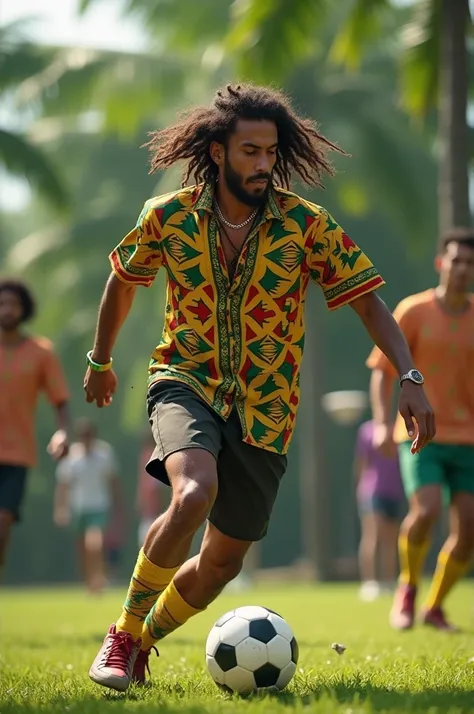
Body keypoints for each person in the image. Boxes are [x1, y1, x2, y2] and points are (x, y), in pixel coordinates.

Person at [83, 83, 435, 691]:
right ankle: (121, 633)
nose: (263, 165)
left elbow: (369, 304)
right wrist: (101, 359)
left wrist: (408, 374)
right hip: (184, 380)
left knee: (223, 562)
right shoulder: (165, 216)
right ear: (218, 152)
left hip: (268, 410)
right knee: (192, 493)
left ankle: (141, 644)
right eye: (249, 151)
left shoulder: (307, 226)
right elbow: (123, 281)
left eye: (271, 153)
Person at [367, 227, 474, 631]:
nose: (462, 268)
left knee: (468, 531)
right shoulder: (413, 310)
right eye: (455, 260)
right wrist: (380, 422)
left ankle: (435, 607)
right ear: (440, 263)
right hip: (421, 435)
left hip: (469, 440)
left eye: (469, 262)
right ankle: (407, 588)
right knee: (426, 510)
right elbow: (381, 370)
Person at [0, 279, 70, 579]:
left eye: (13, 304)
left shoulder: (41, 352)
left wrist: (63, 432)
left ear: (24, 309)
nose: (6, 310)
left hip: (17, 453)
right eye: (2, 304)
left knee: (2, 522)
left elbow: (60, 401)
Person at [54, 417, 122, 593]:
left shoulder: (104, 453)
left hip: (99, 505)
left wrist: (117, 507)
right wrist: (60, 508)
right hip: (78, 507)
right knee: (82, 548)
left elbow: (113, 481)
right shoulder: (71, 456)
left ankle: (99, 579)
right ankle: (88, 582)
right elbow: (63, 485)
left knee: (95, 543)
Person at [354, 419, 405, 601]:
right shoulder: (367, 430)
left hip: (395, 492)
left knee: (391, 541)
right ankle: (370, 583)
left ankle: (388, 582)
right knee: (373, 536)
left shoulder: (401, 428)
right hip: (372, 491)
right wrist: (360, 489)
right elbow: (361, 461)